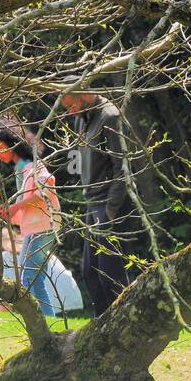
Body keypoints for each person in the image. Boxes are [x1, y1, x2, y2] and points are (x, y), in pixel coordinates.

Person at [59, 90, 139, 316]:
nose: (69, 112)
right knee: (89, 271)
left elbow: (122, 168)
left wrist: (111, 210)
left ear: (85, 95)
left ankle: (123, 322)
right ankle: (102, 324)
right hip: (92, 202)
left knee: (110, 270)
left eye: (72, 105)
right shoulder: (81, 120)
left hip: (110, 203)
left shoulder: (110, 116)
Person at [0, 118, 60, 317]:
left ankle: (48, 323)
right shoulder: (21, 166)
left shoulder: (30, 166)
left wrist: (16, 207)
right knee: (31, 277)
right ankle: (47, 324)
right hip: (36, 228)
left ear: (11, 144)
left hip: (44, 228)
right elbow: (27, 199)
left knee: (31, 277)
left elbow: (45, 187)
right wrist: (11, 212)